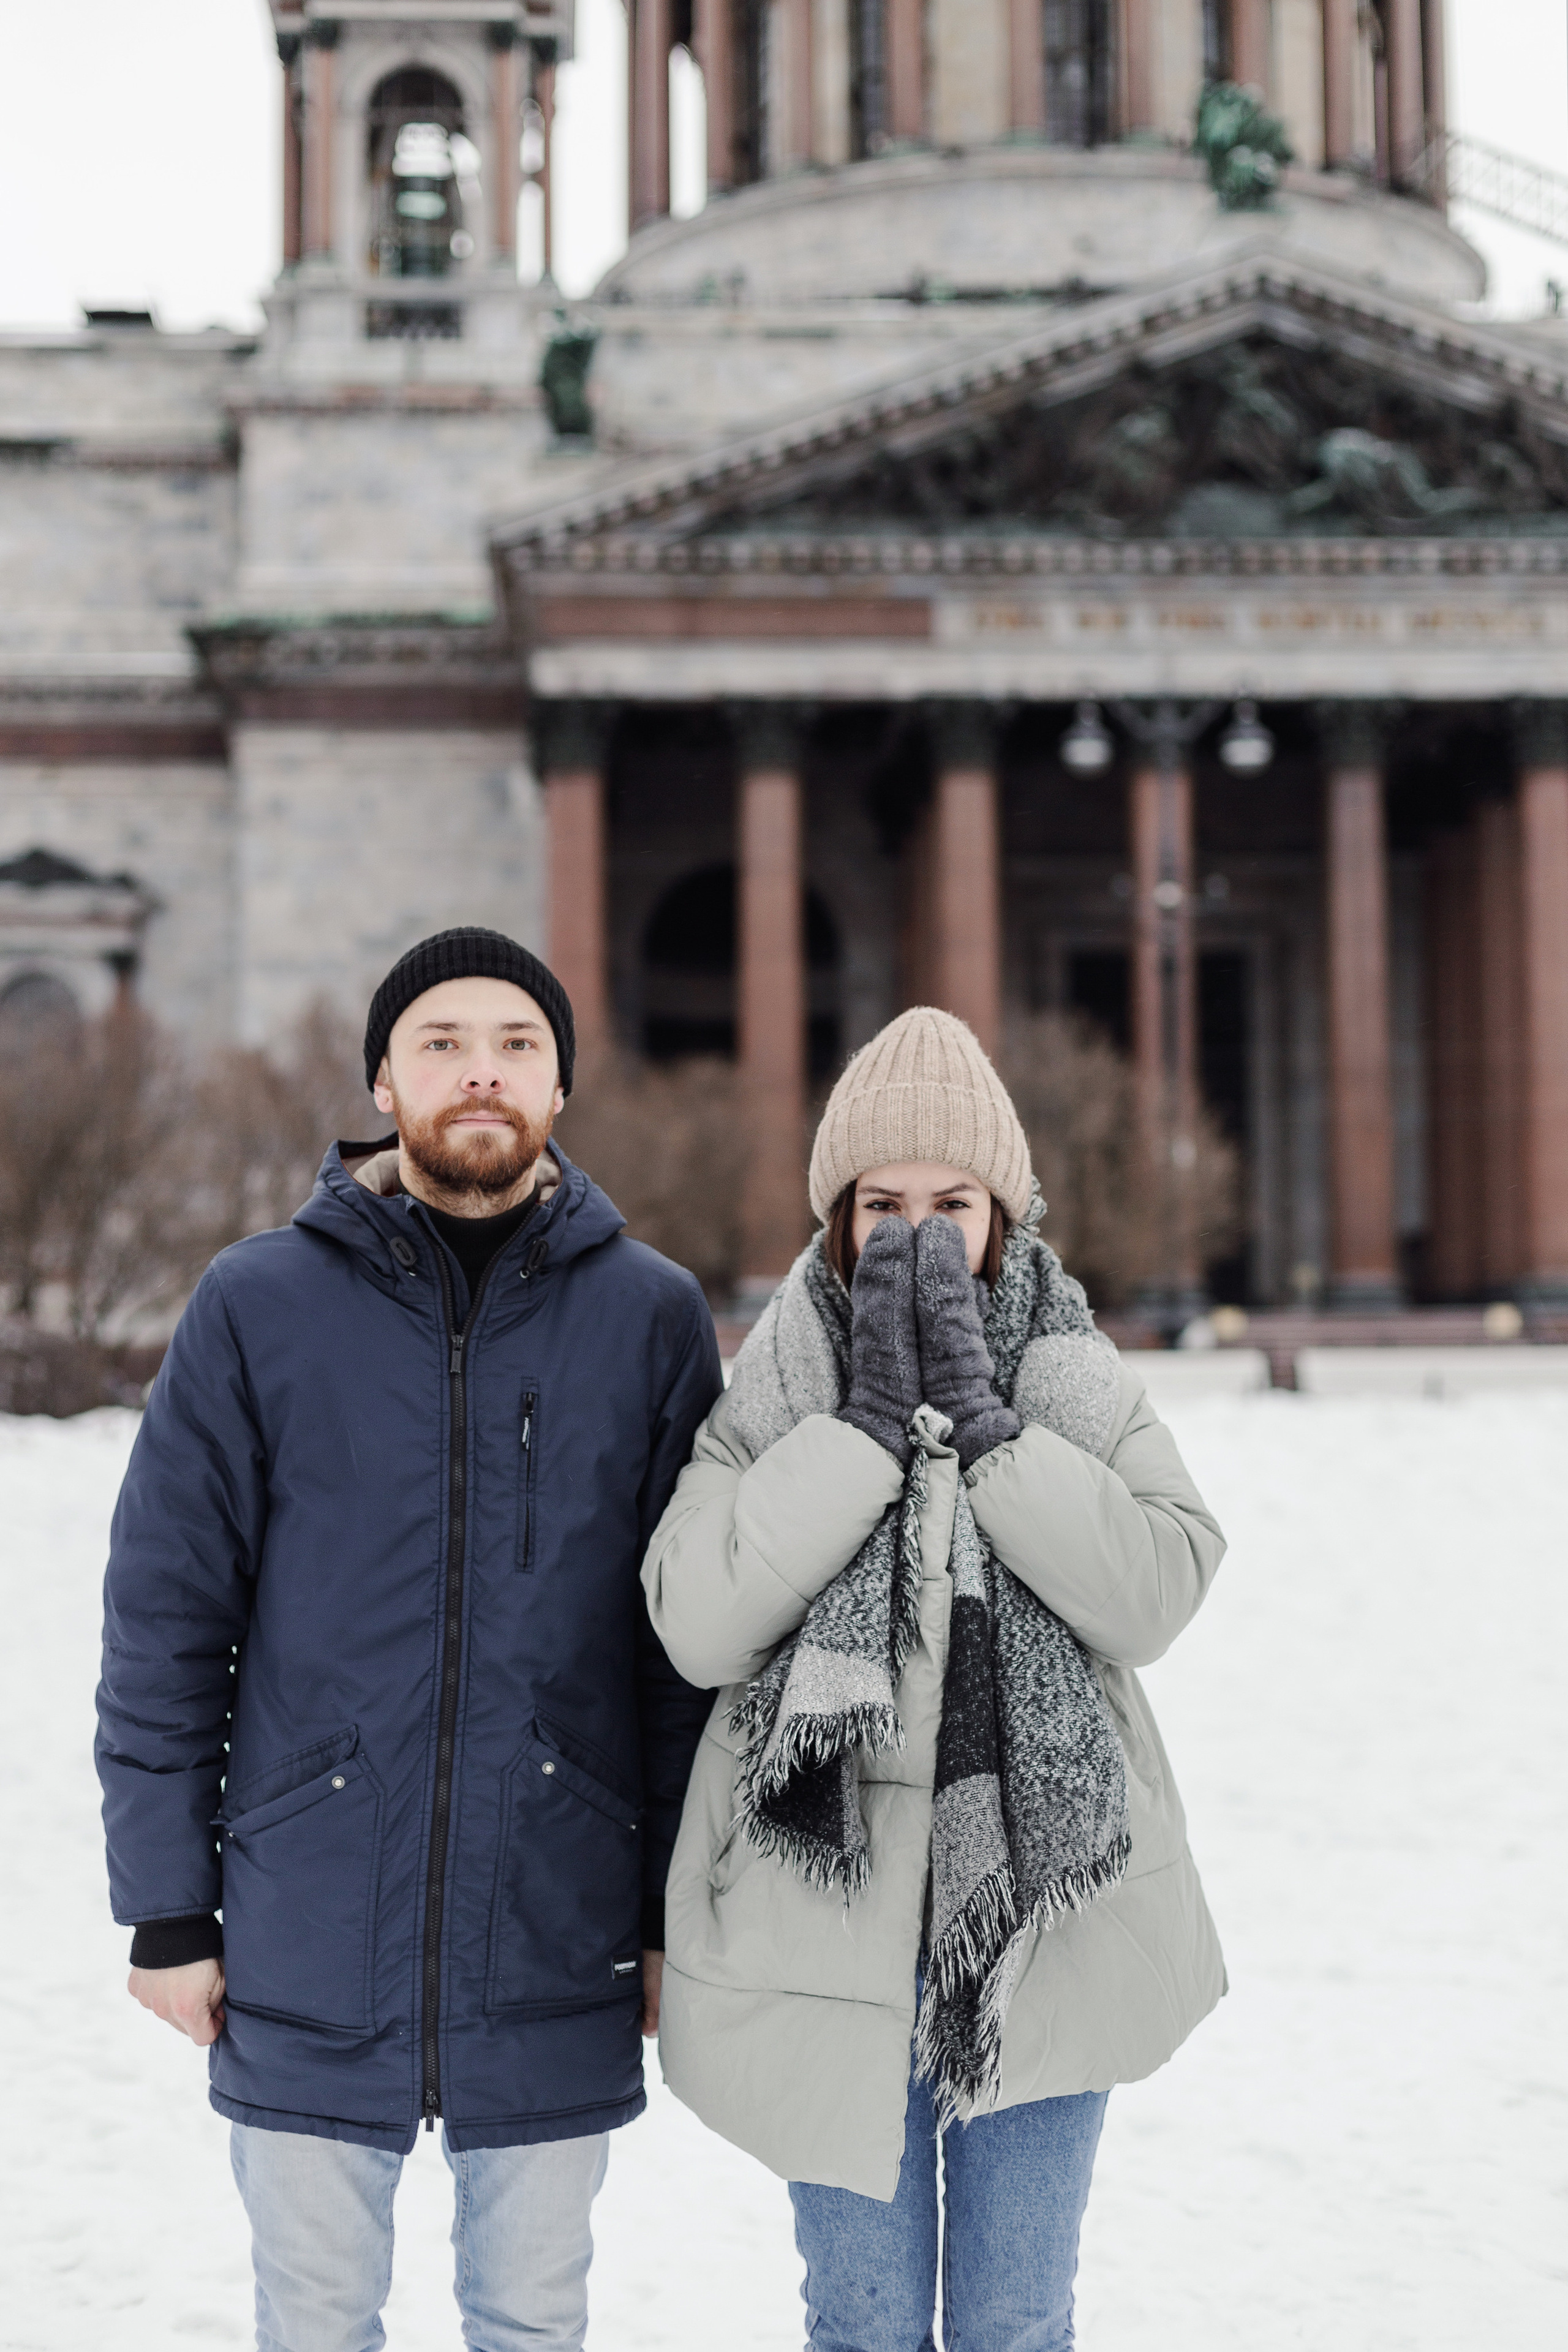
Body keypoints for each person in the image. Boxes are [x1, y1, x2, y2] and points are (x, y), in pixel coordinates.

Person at [97, 926, 721, 2352]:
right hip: (305, 1919)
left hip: (556, 1924)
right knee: (313, 2322)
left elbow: (683, 1658)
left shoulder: (650, 1317)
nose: (479, 1074)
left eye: (517, 1045)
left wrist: (667, 1922)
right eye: (441, 1042)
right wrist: (168, 1906)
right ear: (383, 1079)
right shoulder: (257, 1305)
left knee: (531, 2319)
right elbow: (166, 1623)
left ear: (562, 1089)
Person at [642, 1005, 1227, 2352]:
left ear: (1002, 1212)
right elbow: (696, 1618)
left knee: (1018, 2320)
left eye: (949, 1201)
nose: (915, 1233)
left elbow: (1153, 1588)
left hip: (1038, 1921)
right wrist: (855, 1438)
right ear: (836, 1220)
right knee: (860, 2320)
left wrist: (993, 1434)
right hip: (821, 1923)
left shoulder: (1072, 1376)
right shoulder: (778, 1384)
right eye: (880, 1202)